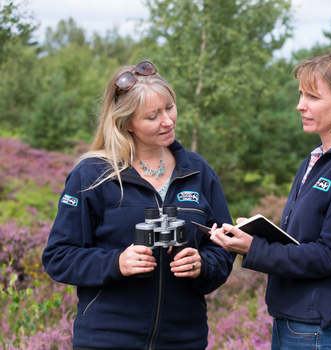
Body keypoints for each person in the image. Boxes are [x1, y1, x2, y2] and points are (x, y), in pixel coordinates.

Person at [42, 61, 235, 350]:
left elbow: (222, 246)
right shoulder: (93, 174)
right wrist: (116, 263)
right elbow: (58, 256)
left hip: (184, 340)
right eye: (152, 116)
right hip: (108, 339)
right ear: (127, 122)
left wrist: (202, 265)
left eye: (169, 108)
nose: (167, 121)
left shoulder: (198, 170)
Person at [210, 53, 331, 350]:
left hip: (317, 331)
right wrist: (255, 235)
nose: (300, 105)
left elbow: (329, 256)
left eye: (313, 96)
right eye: (300, 94)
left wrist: (252, 248)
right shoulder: (315, 160)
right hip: (291, 323)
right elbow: (301, 242)